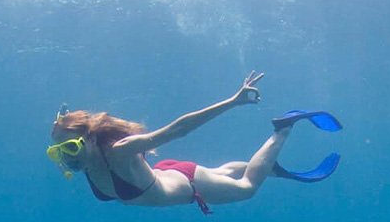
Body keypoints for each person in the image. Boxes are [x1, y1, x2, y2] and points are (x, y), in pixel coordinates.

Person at [46, 73, 342, 214]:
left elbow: (179, 129)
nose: (67, 158)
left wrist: (233, 101)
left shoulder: (119, 152)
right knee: (223, 172)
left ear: (92, 139)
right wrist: (61, 122)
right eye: (58, 152)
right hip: (164, 174)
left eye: (71, 147)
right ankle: (269, 167)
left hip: (184, 182)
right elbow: (71, 131)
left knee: (247, 189)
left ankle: (284, 128)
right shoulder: (85, 159)